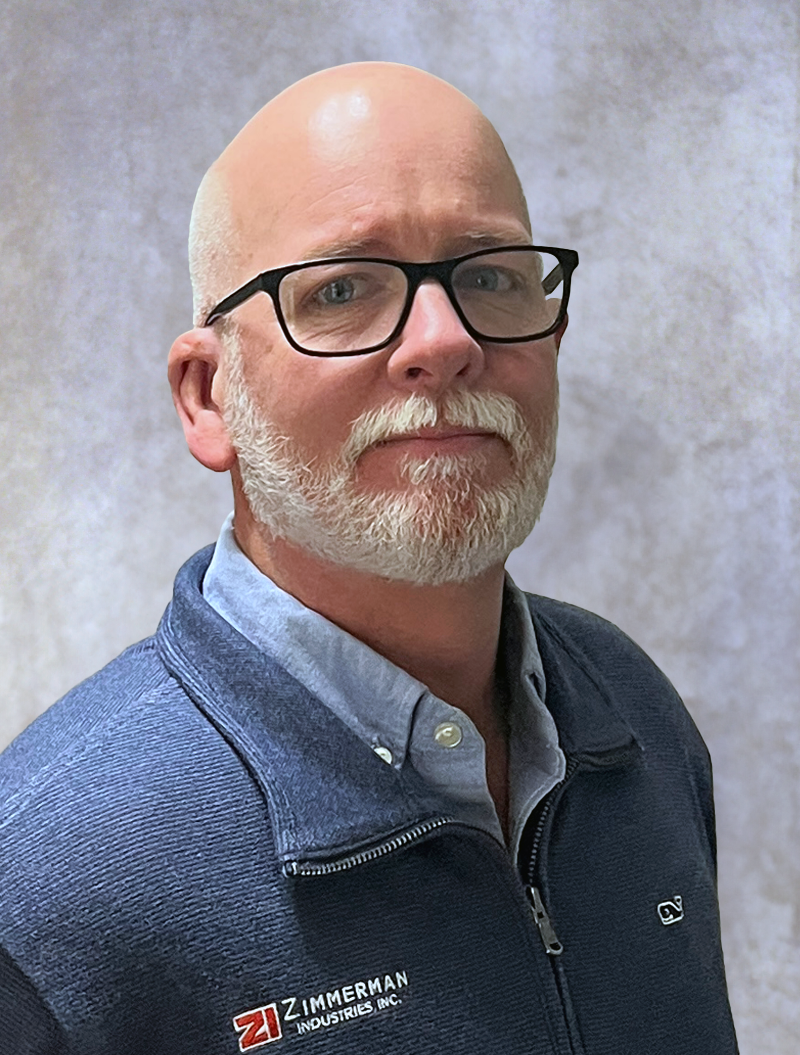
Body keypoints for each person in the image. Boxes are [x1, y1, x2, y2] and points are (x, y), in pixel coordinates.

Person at [0, 62, 738, 1054]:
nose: (443, 340)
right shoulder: (49, 885)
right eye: (342, 288)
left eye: (487, 276)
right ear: (208, 396)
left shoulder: (631, 718)